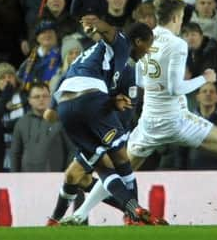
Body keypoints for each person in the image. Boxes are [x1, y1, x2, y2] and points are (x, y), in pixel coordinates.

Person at [68, 0, 217, 223]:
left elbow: (140, 80)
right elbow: (175, 89)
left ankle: (79, 215)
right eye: (182, 16)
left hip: (150, 122)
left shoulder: (146, 39)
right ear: (176, 17)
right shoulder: (176, 43)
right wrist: (204, 78)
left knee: (120, 169)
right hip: (176, 120)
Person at [51, 19, 156, 225]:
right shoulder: (122, 42)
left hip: (66, 106)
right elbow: (110, 31)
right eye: (148, 45)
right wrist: (96, 24)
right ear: (138, 41)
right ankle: (134, 213)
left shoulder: (97, 57)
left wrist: (111, 100)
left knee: (99, 167)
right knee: (120, 158)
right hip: (90, 99)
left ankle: (54, 220)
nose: (148, 51)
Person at [10, 82, 72, 172]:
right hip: (27, 179)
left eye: (45, 96)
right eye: (36, 97)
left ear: (50, 98)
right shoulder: (21, 122)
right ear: (29, 100)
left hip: (56, 178)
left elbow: (72, 150)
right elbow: (15, 153)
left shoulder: (61, 120)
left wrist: (67, 174)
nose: (41, 99)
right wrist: (14, 178)